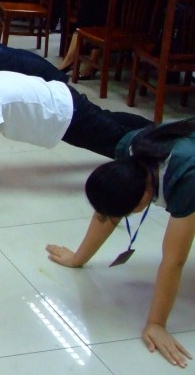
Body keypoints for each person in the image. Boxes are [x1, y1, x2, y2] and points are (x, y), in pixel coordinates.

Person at [46, 118, 195, 368]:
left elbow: (175, 259)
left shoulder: (186, 177)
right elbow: (109, 207)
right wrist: (78, 258)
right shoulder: (130, 150)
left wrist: (156, 324)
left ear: (143, 198)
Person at [0, 71, 152, 218]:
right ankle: (156, 129)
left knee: (120, 144)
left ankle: (161, 142)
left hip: (63, 115)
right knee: (110, 121)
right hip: (60, 97)